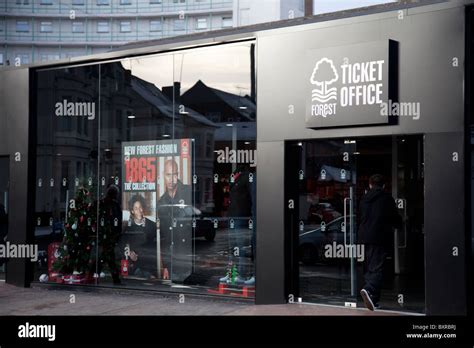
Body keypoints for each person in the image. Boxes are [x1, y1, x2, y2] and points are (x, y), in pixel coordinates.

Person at [358, 174, 402, 310]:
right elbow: (394, 217)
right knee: (378, 268)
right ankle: (369, 288)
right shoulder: (386, 198)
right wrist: (399, 225)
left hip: (364, 237)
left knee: (369, 267)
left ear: (370, 185)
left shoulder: (364, 198)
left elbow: (361, 215)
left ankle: (373, 300)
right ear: (384, 185)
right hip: (379, 237)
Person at [157, 159, 191, 281]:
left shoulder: (188, 192)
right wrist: (166, 266)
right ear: (163, 175)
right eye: (168, 175)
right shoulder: (161, 202)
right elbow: (164, 237)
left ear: (178, 175)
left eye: (174, 175)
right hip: (174, 263)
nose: (171, 179)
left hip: (190, 260)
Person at [122, 194, 158, 279]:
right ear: (132, 211)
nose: (139, 210)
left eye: (140, 207)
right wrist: (130, 253)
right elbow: (123, 244)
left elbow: (154, 247)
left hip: (148, 265)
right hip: (134, 266)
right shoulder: (128, 227)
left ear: (143, 208)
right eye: (136, 208)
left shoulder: (152, 225)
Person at [97, 185, 122, 284]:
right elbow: (117, 220)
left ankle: (94, 273)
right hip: (109, 235)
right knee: (108, 257)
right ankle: (115, 279)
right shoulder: (110, 204)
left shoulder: (104, 203)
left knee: (105, 256)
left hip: (108, 235)